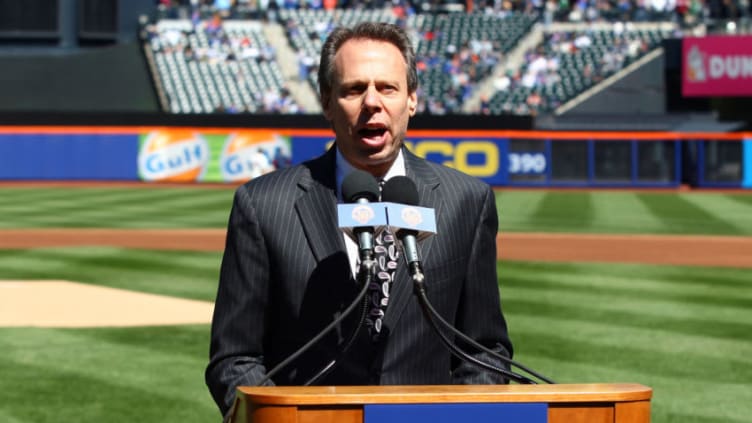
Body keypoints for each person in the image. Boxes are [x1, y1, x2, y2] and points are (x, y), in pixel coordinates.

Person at [205, 21, 514, 419]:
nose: (372, 102)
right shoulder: (262, 204)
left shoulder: (466, 202)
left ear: (412, 100)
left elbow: (485, 351)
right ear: (328, 102)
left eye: (388, 87)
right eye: (354, 89)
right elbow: (234, 358)